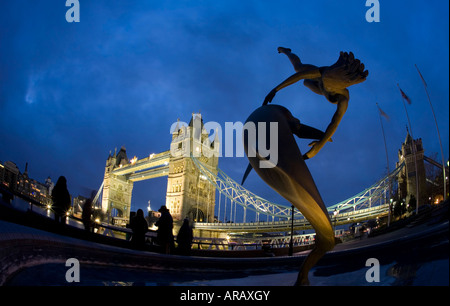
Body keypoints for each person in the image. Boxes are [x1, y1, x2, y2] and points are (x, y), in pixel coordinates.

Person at [263, 47, 368, 160]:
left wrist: (319, 146)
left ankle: (313, 81)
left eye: (328, 86)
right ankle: (285, 51)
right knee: (299, 68)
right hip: (315, 80)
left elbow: (334, 123)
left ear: (337, 88)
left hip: (317, 87)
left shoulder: (343, 99)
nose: (325, 84)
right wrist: (275, 89)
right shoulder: (323, 72)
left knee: (307, 82)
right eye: (324, 82)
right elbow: (299, 76)